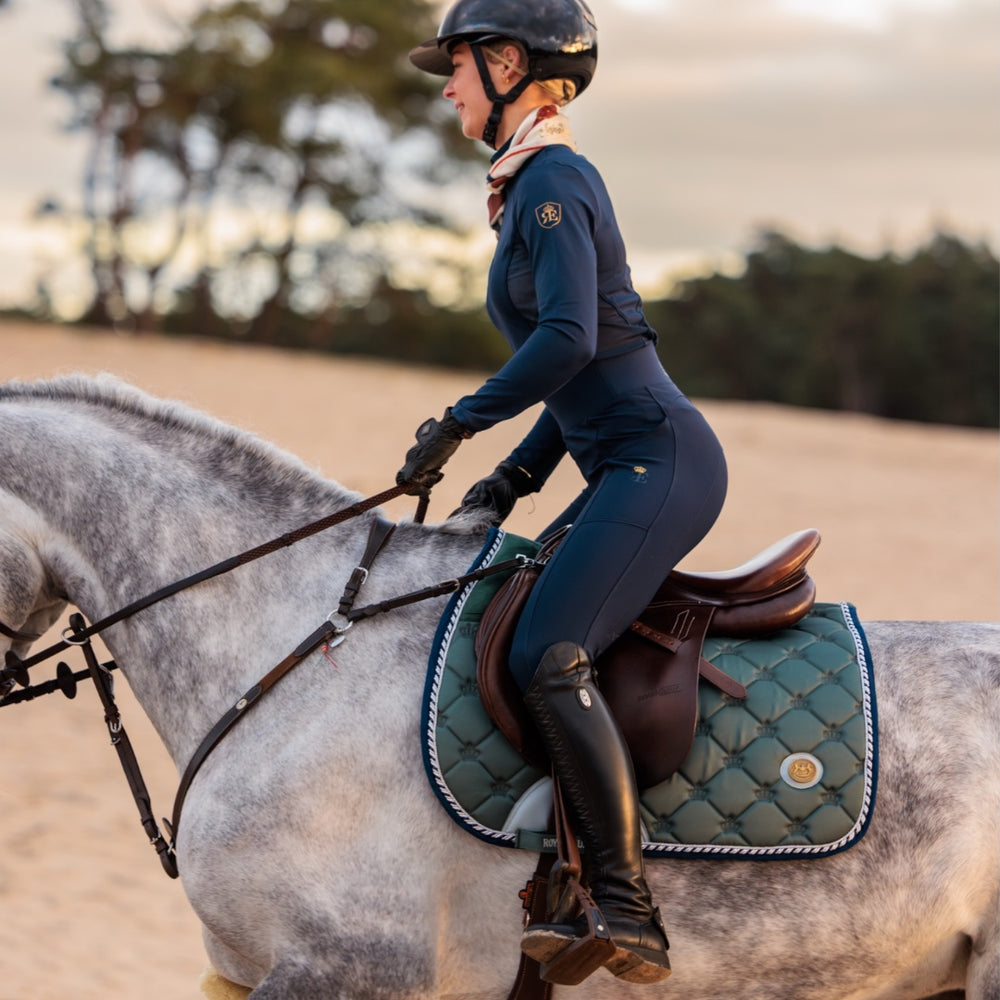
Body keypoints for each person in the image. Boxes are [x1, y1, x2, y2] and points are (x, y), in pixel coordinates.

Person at [399, 0, 727, 986]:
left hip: (659, 464)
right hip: (621, 458)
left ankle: (626, 912)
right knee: (509, 604)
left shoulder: (553, 181)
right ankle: (552, 866)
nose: (448, 87)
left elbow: (569, 344)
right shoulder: (532, 186)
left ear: (507, 63)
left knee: (550, 648)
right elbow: (586, 374)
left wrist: (460, 421)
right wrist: (511, 478)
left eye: (456, 67)